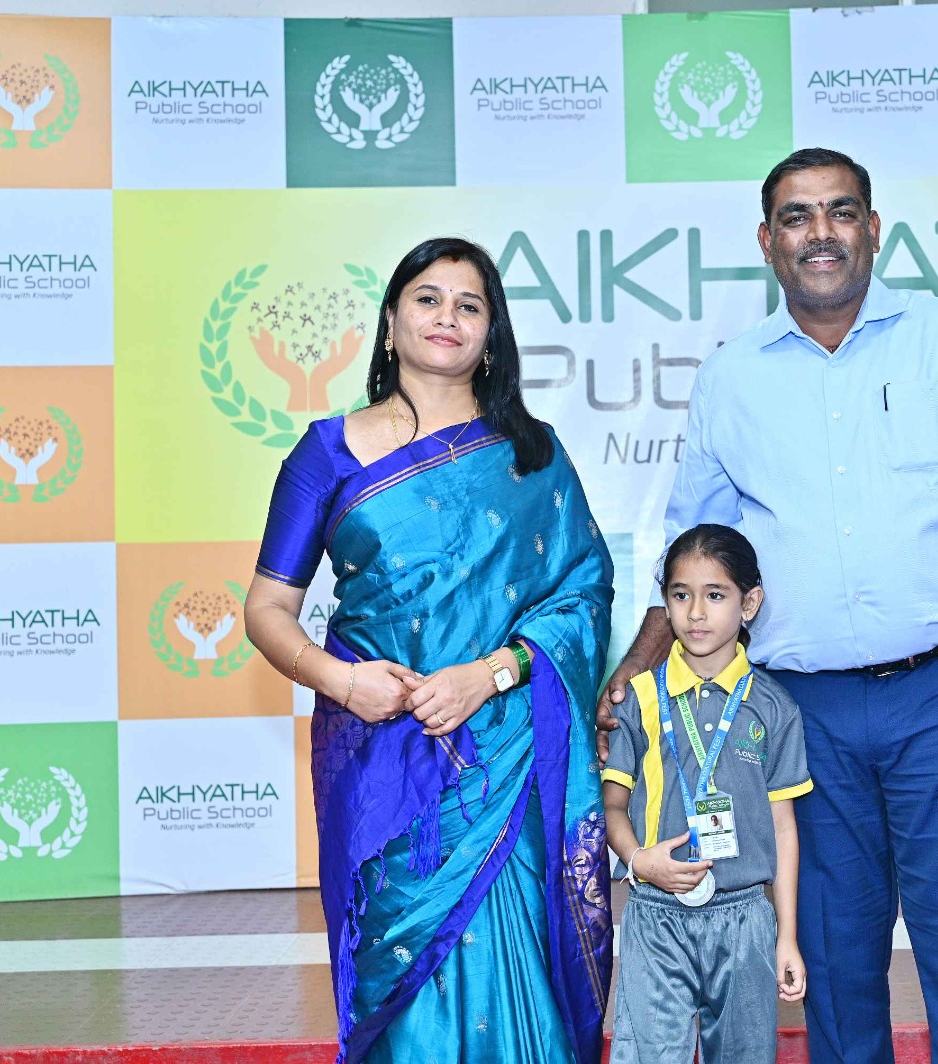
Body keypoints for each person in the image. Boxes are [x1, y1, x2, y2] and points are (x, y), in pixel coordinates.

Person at [600, 149, 938, 1064]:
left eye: (841, 211)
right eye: (797, 216)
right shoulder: (734, 375)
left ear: (873, 229)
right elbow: (696, 543)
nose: (821, 233)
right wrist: (638, 667)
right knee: (830, 949)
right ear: (767, 241)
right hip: (797, 710)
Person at [244, 237, 614, 1064]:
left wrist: (491, 675)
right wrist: (343, 683)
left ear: (492, 334)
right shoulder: (326, 454)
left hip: (508, 754)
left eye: (469, 305)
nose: (448, 316)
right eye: (428, 298)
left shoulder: (533, 454)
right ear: (390, 322)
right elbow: (267, 608)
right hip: (385, 755)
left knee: (517, 965)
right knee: (402, 974)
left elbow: (584, 593)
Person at [603, 524, 810, 1064]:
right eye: (680, 595)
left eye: (715, 595)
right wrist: (639, 860)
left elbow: (783, 828)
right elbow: (613, 806)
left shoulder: (775, 707)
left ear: (750, 603)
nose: (696, 613)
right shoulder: (638, 698)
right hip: (655, 913)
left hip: (746, 918)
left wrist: (786, 936)